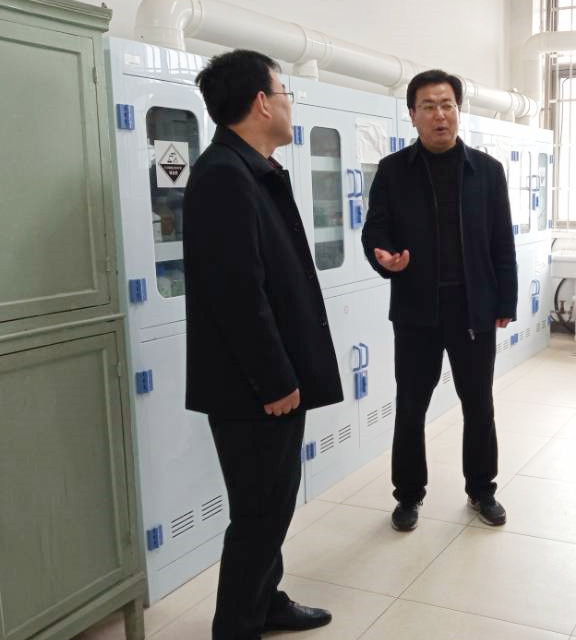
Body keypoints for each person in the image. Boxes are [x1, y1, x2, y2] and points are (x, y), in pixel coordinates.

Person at [184, 49, 344, 639]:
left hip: (265, 381)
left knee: (271, 505)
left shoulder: (252, 168)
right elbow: (236, 295)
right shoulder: (225, 175)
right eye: (284, 93)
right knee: (257, 514)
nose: (288, 104)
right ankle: (236, 626)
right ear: (261, 102)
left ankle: (266, 602)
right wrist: (275, 380)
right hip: (253, 389)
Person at [361, 69, 517, 532]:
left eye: (447, 105)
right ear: (412, 115)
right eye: (428, 106)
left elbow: (501, 242)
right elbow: (375, 230)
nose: (439, 115)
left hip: (473, 308)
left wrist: (505, 300)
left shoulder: (487, 171)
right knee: (411, 407)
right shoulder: (393, 171)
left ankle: (482, 490)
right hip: (416, 309)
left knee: (478, 404)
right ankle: (408, 496)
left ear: (458, 111)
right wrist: (384, 257)